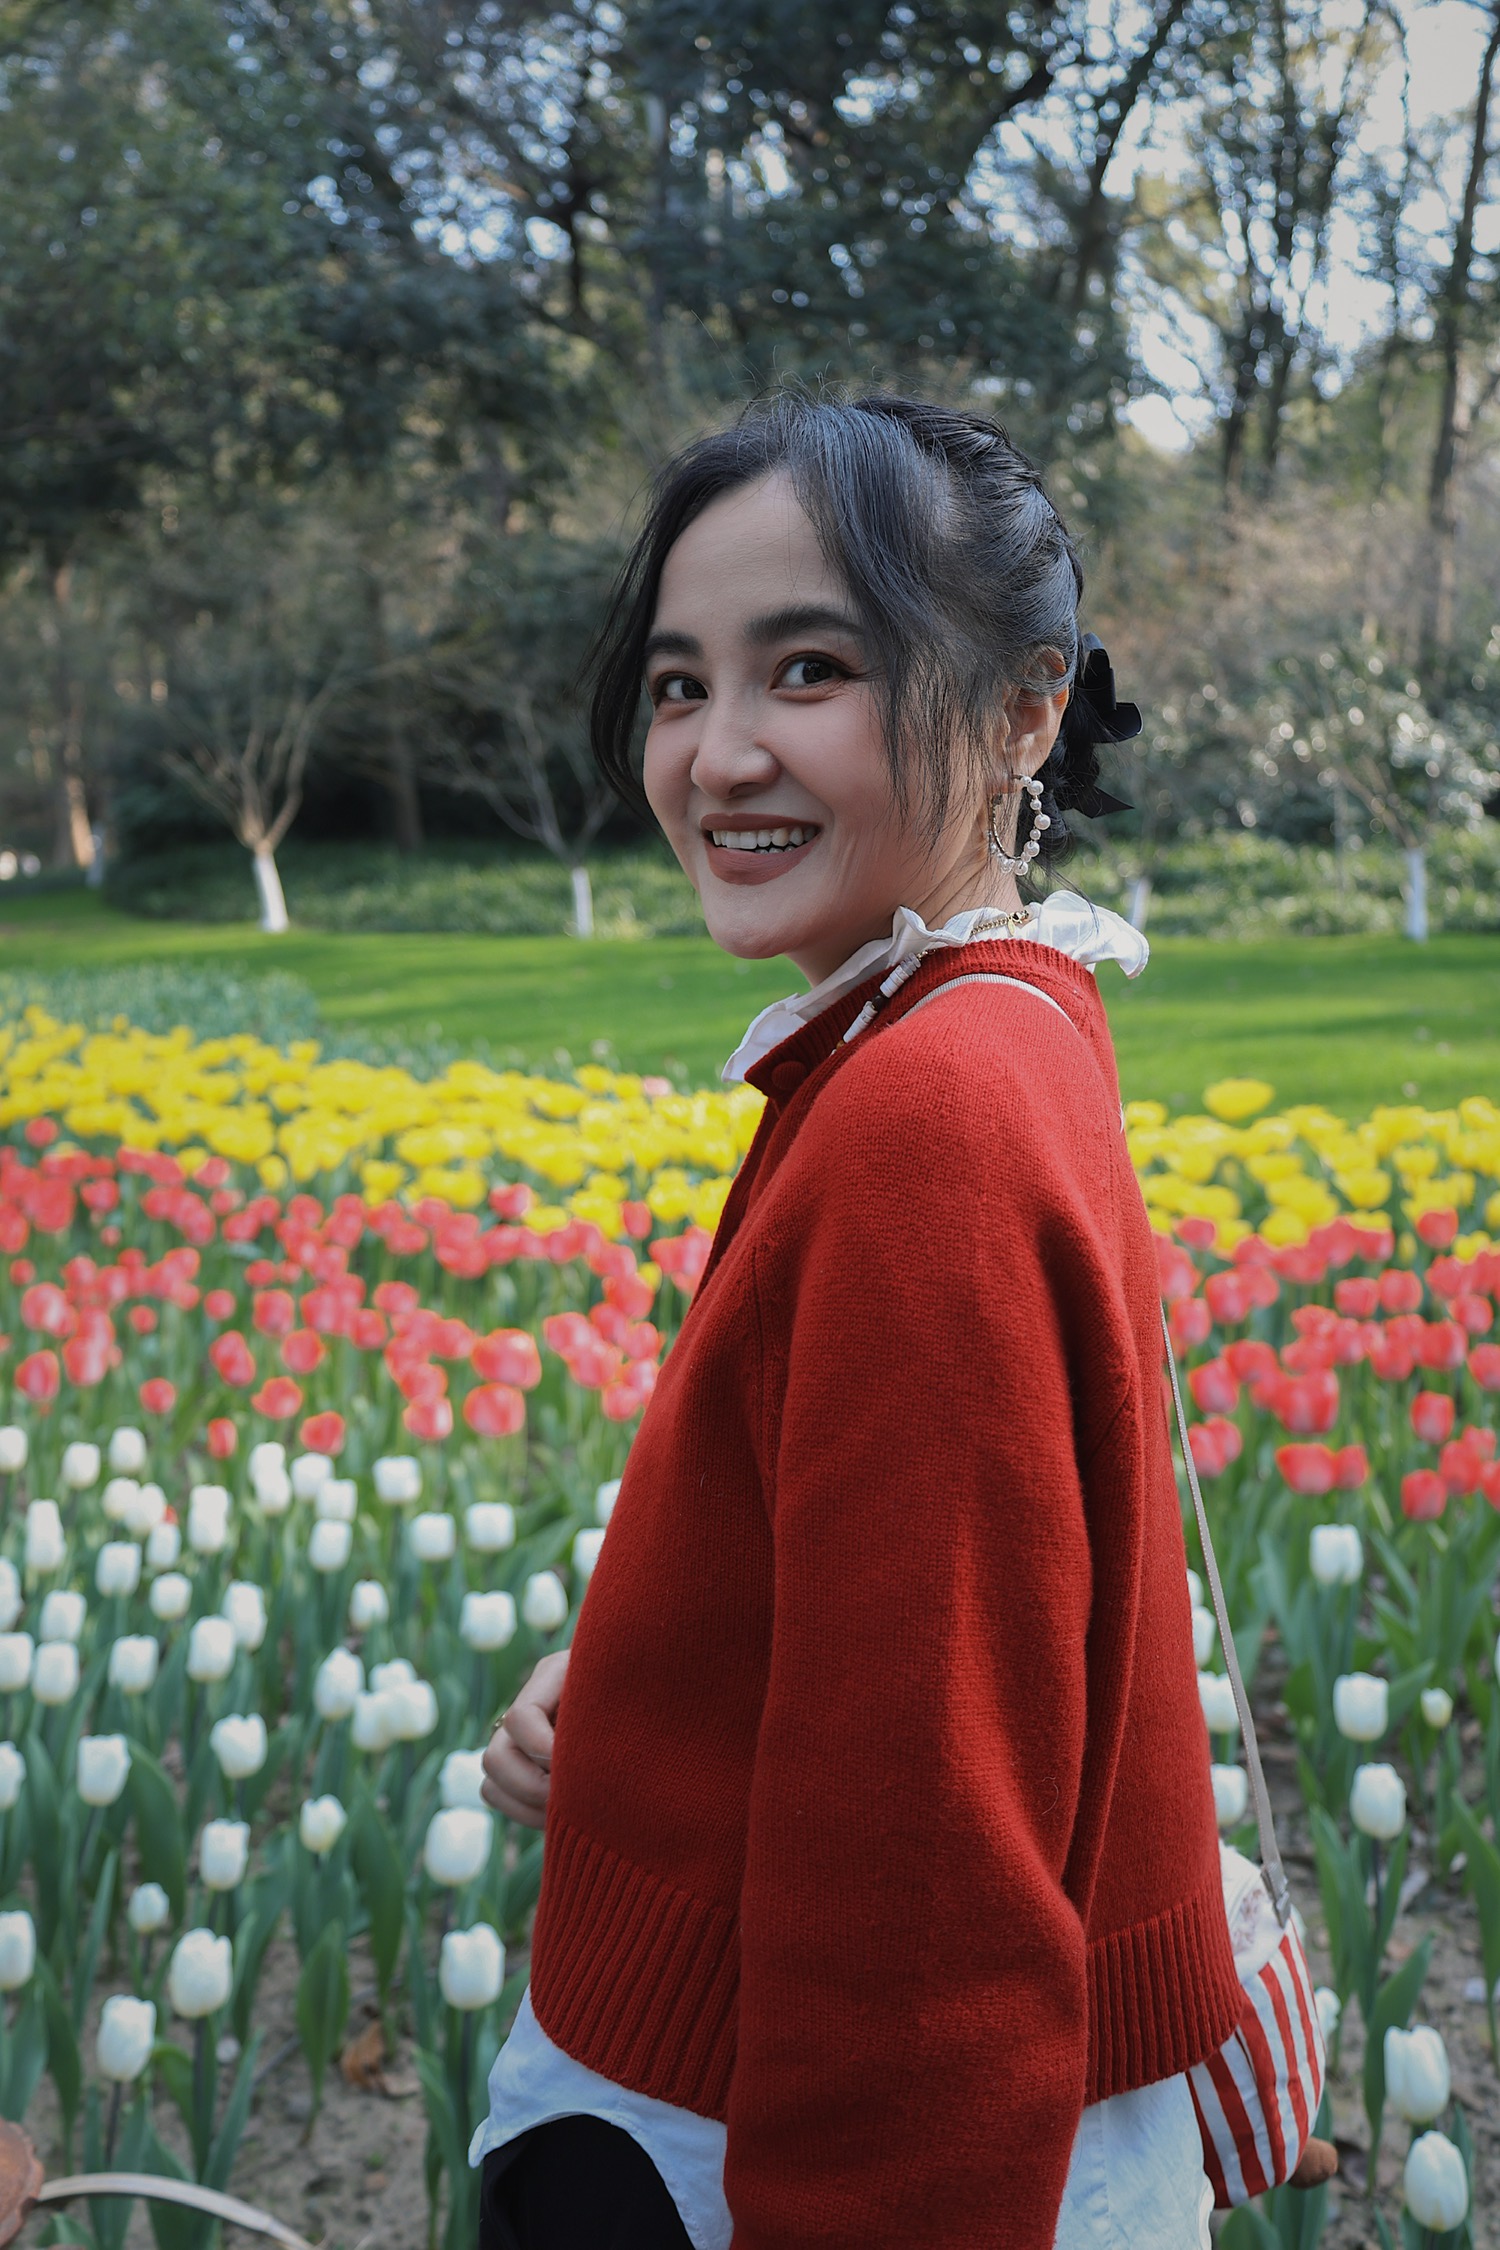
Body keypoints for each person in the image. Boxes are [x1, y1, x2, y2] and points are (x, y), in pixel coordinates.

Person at [472, 393, 1243, 2250]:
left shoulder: (932, 1113)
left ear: (1025, 709)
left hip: (756, 2141)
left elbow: (927, 1870)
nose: (716, 751)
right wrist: (656, 1706)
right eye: (678, 683)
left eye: (807, 668)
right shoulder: (977, 1026)